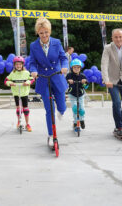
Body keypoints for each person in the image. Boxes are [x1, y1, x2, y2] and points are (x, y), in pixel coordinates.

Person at [29, 17, 68, 147]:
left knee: (62, 107)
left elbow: (63, 57)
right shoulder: (33, 46)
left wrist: (64, 66)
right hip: (43, 79)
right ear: (37, 33)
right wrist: (33, 71)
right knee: (49, 109)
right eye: (41, 33)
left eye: (46, 32)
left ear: (49, 31)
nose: (44, 35)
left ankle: (61, 111)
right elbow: (32, 63)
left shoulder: (56, 42)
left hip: (57, 76)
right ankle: (51, 135)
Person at [4, 56, 35, 132]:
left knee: (25, 109)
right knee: (18, 109)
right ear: (14, 65)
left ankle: (27, 124)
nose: (18, 66)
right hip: (16, 93)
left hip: (24, 93)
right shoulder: (12, 73)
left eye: (20, 64)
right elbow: (6, 81)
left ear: (22, 65)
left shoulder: (26, 73)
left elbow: (32, 79)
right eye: (17, 64)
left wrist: (27, 83)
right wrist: (10, 83)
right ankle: (19, 121)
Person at [66, 59, 88, 129]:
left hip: (80, 94)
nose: (76, 69)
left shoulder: (82, 76)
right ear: (72, 68)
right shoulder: (69, 75)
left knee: (81, 109)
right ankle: (75, 122)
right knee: (75, 108)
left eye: (78, 67)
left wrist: (85, 83)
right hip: (72, 94)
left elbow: (86, 87)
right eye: (74, 67)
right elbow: (64, 82)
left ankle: (82, 120)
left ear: (80, 68)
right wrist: (68, 81)